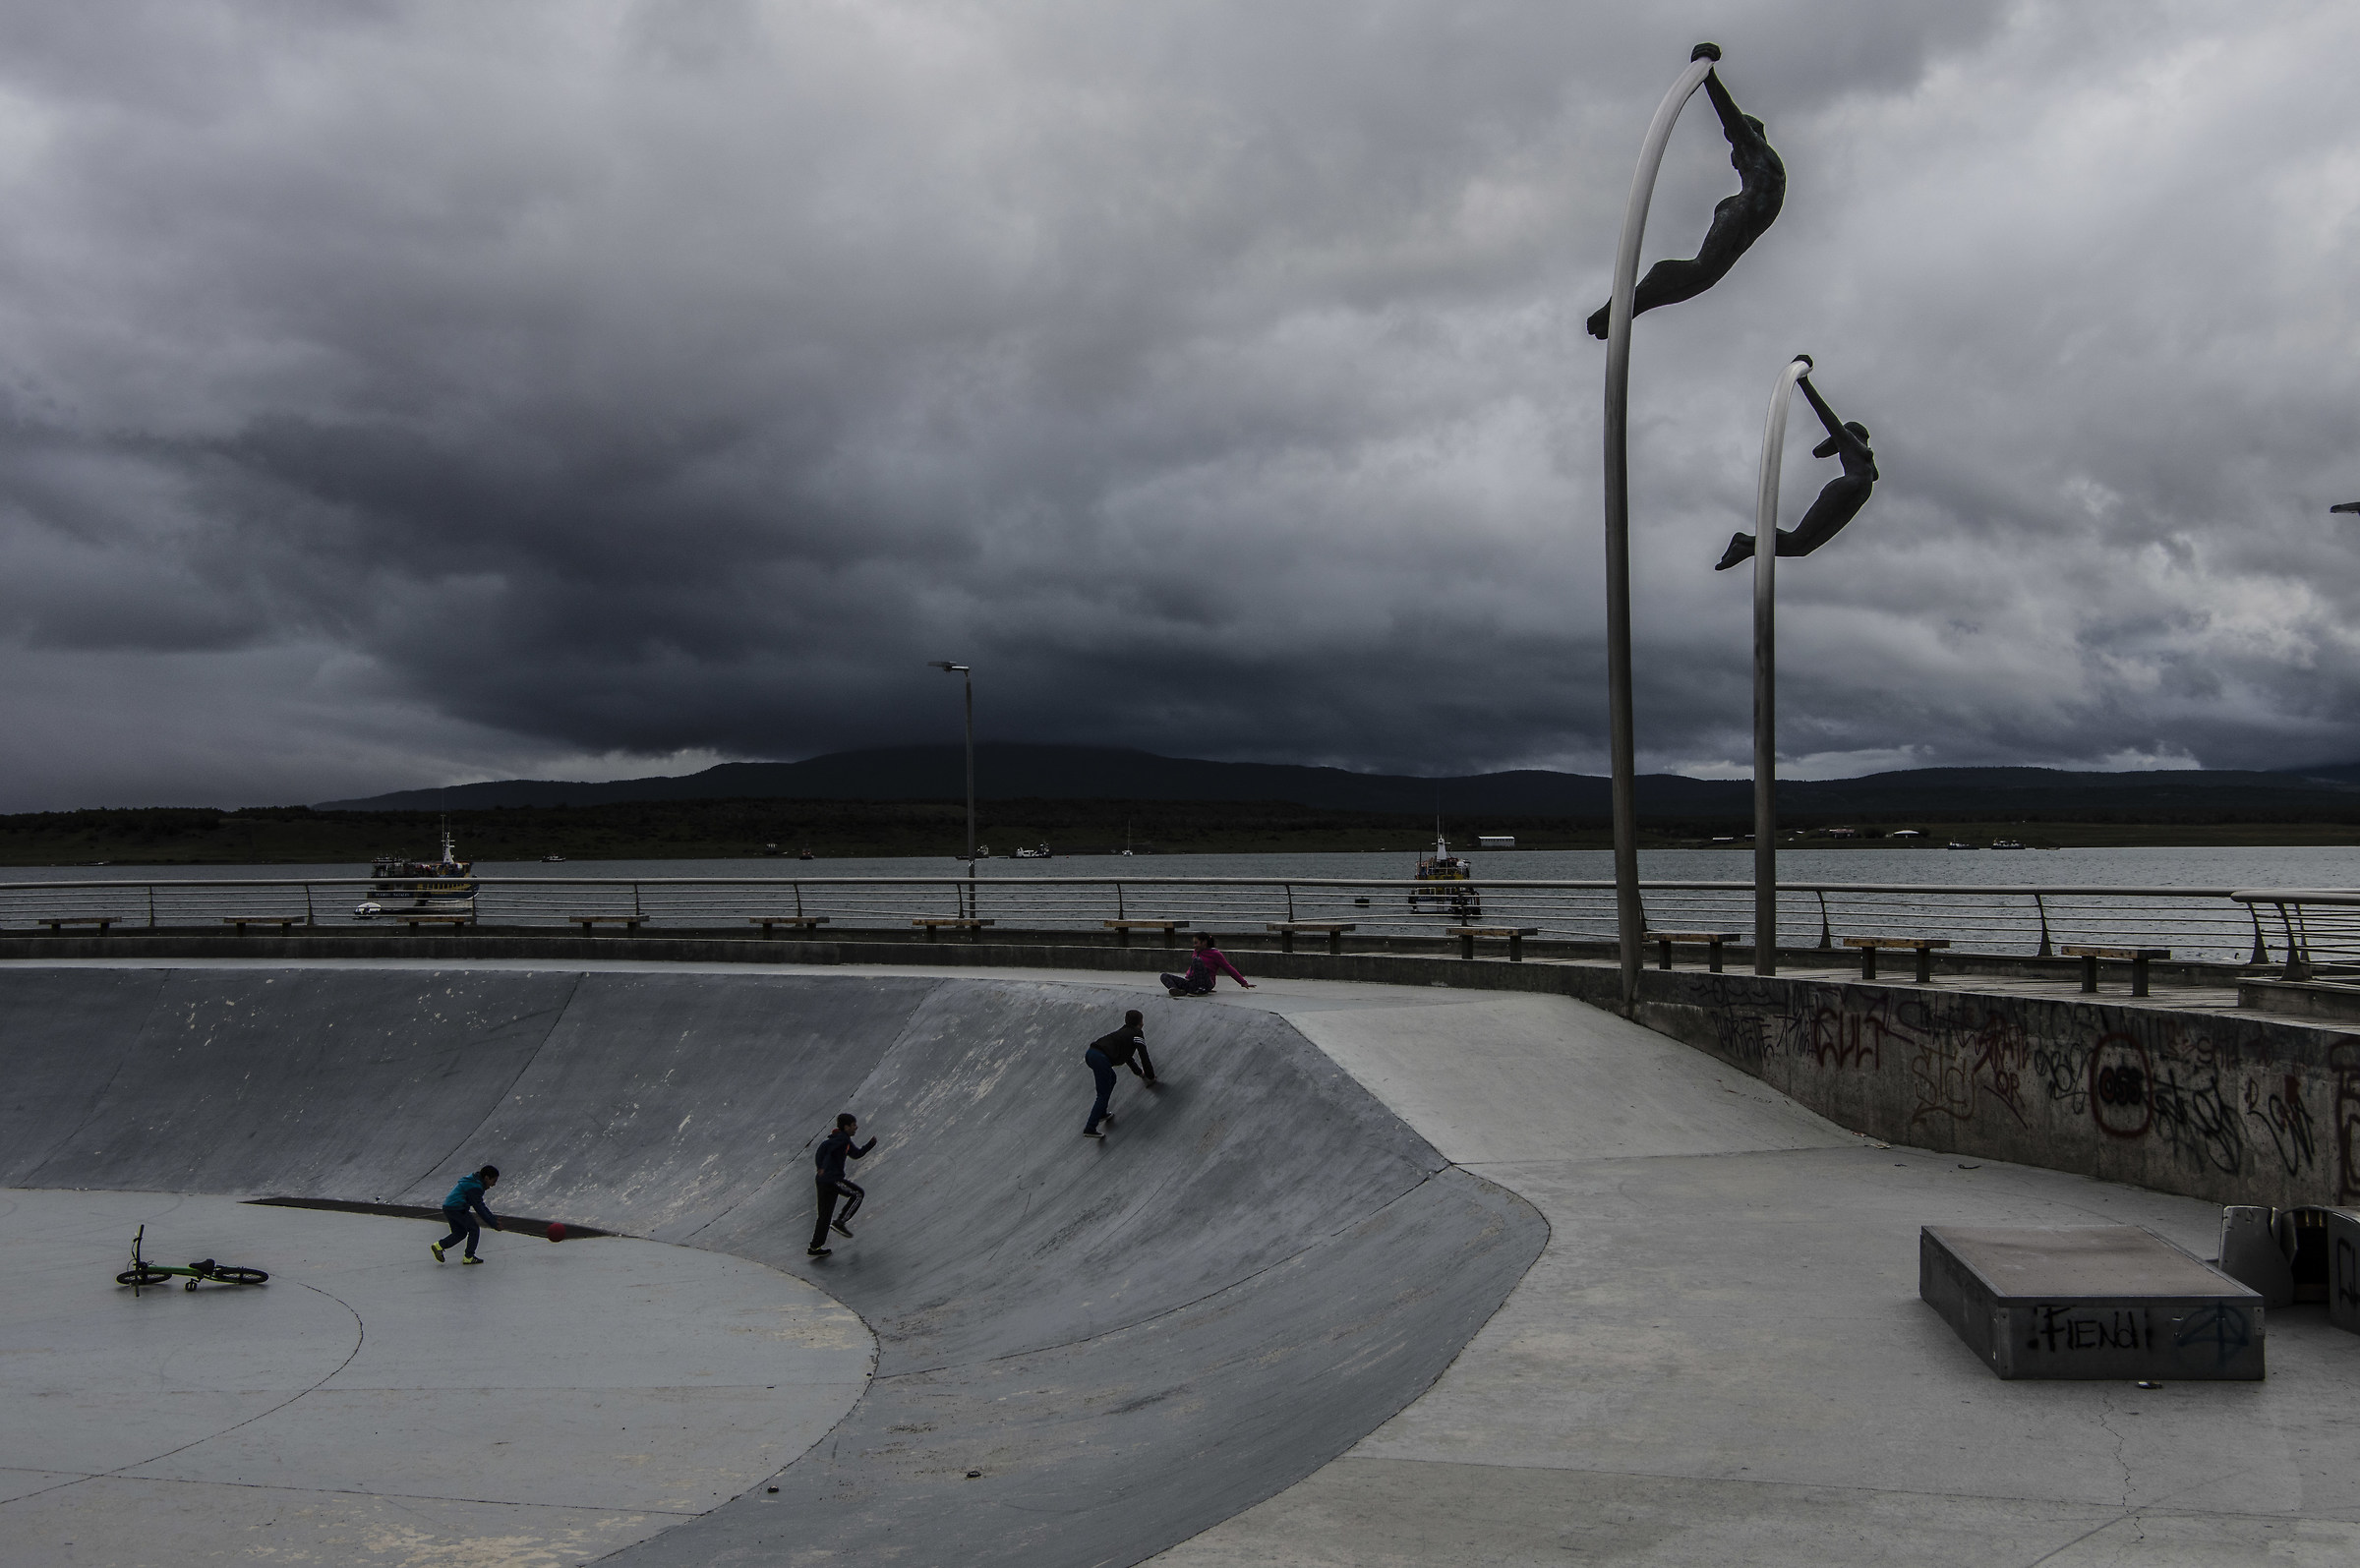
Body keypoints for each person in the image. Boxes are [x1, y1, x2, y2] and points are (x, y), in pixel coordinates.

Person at [1587, 67, 1785, 339]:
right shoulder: (1763, 164)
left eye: (1735, 149)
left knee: (1704, 277)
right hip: (1738, 213)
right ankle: (1616, 309)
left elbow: (1731, 119)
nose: (1734, 158)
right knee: (1700, 270)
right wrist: (1707, 76)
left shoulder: (1758, 151)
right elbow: (1732, 123)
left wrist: (1710, 78)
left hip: (1741, 215)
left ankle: (1626, 309)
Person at [1715, 375, 1878, 570]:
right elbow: (1825, 414)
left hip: (1854, 498)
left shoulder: (1865, 454)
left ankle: (1748, 545)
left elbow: (1867, 471)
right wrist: (1804, 382)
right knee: (1798, 538)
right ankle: (1745, 543)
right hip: (1844, 490)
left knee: (1801, 548)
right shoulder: (1849, 441)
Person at [808, 1112, 875, 1258]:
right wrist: (823, 1166)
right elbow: (826, 1150)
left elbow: (855, 1154)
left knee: (824, 1216)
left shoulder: (842, 1140)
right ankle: (840, 1222)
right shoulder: (841, 1140)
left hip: (823, 1180)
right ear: (846, 1127)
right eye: (853, 1125)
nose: (856, 1127)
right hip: (832, 1179)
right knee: (858, 1194)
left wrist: (869, 1145)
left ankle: (815, 1247)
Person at [1082, 1010, 1157, 1139]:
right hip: (1100, 1058)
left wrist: (1139, 1073)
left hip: (1092, 1053)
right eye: (1142, 1021)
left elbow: (1127, 1056)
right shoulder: (1137, 1034)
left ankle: (1101, 1113)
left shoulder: (1124, 1033)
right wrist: (1150, 1076)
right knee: (1102, 1093)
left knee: (1112, 1078)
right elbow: (1144, 1056)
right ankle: (1090, 1127)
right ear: (1140, 1023)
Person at [432, 1165, 502, 1263]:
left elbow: (481, 1205)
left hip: (448, 1207)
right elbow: (479, 1208)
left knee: (460, 1233)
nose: (493, 1184)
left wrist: (493, 1218)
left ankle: (439, 1245)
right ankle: (469, 1257)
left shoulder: (473, 1180)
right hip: (458, 1208)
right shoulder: (475, 1187)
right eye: (493, 1181)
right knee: (474, 1229)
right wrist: (493, 1223)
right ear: (486, 1178)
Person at [1160, 932, 1255, 999]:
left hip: (1207, 983)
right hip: (1191, 983)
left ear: (1204, 942)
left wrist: (1243, 982)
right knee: (1164, 976)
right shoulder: (1196, 952)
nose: (1194, 945)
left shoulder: (1215, 954)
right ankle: (1178, 990)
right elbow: (1192, 969)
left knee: (1197, 961)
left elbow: (1228, 968)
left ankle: (1201, 989)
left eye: (1196, 943)